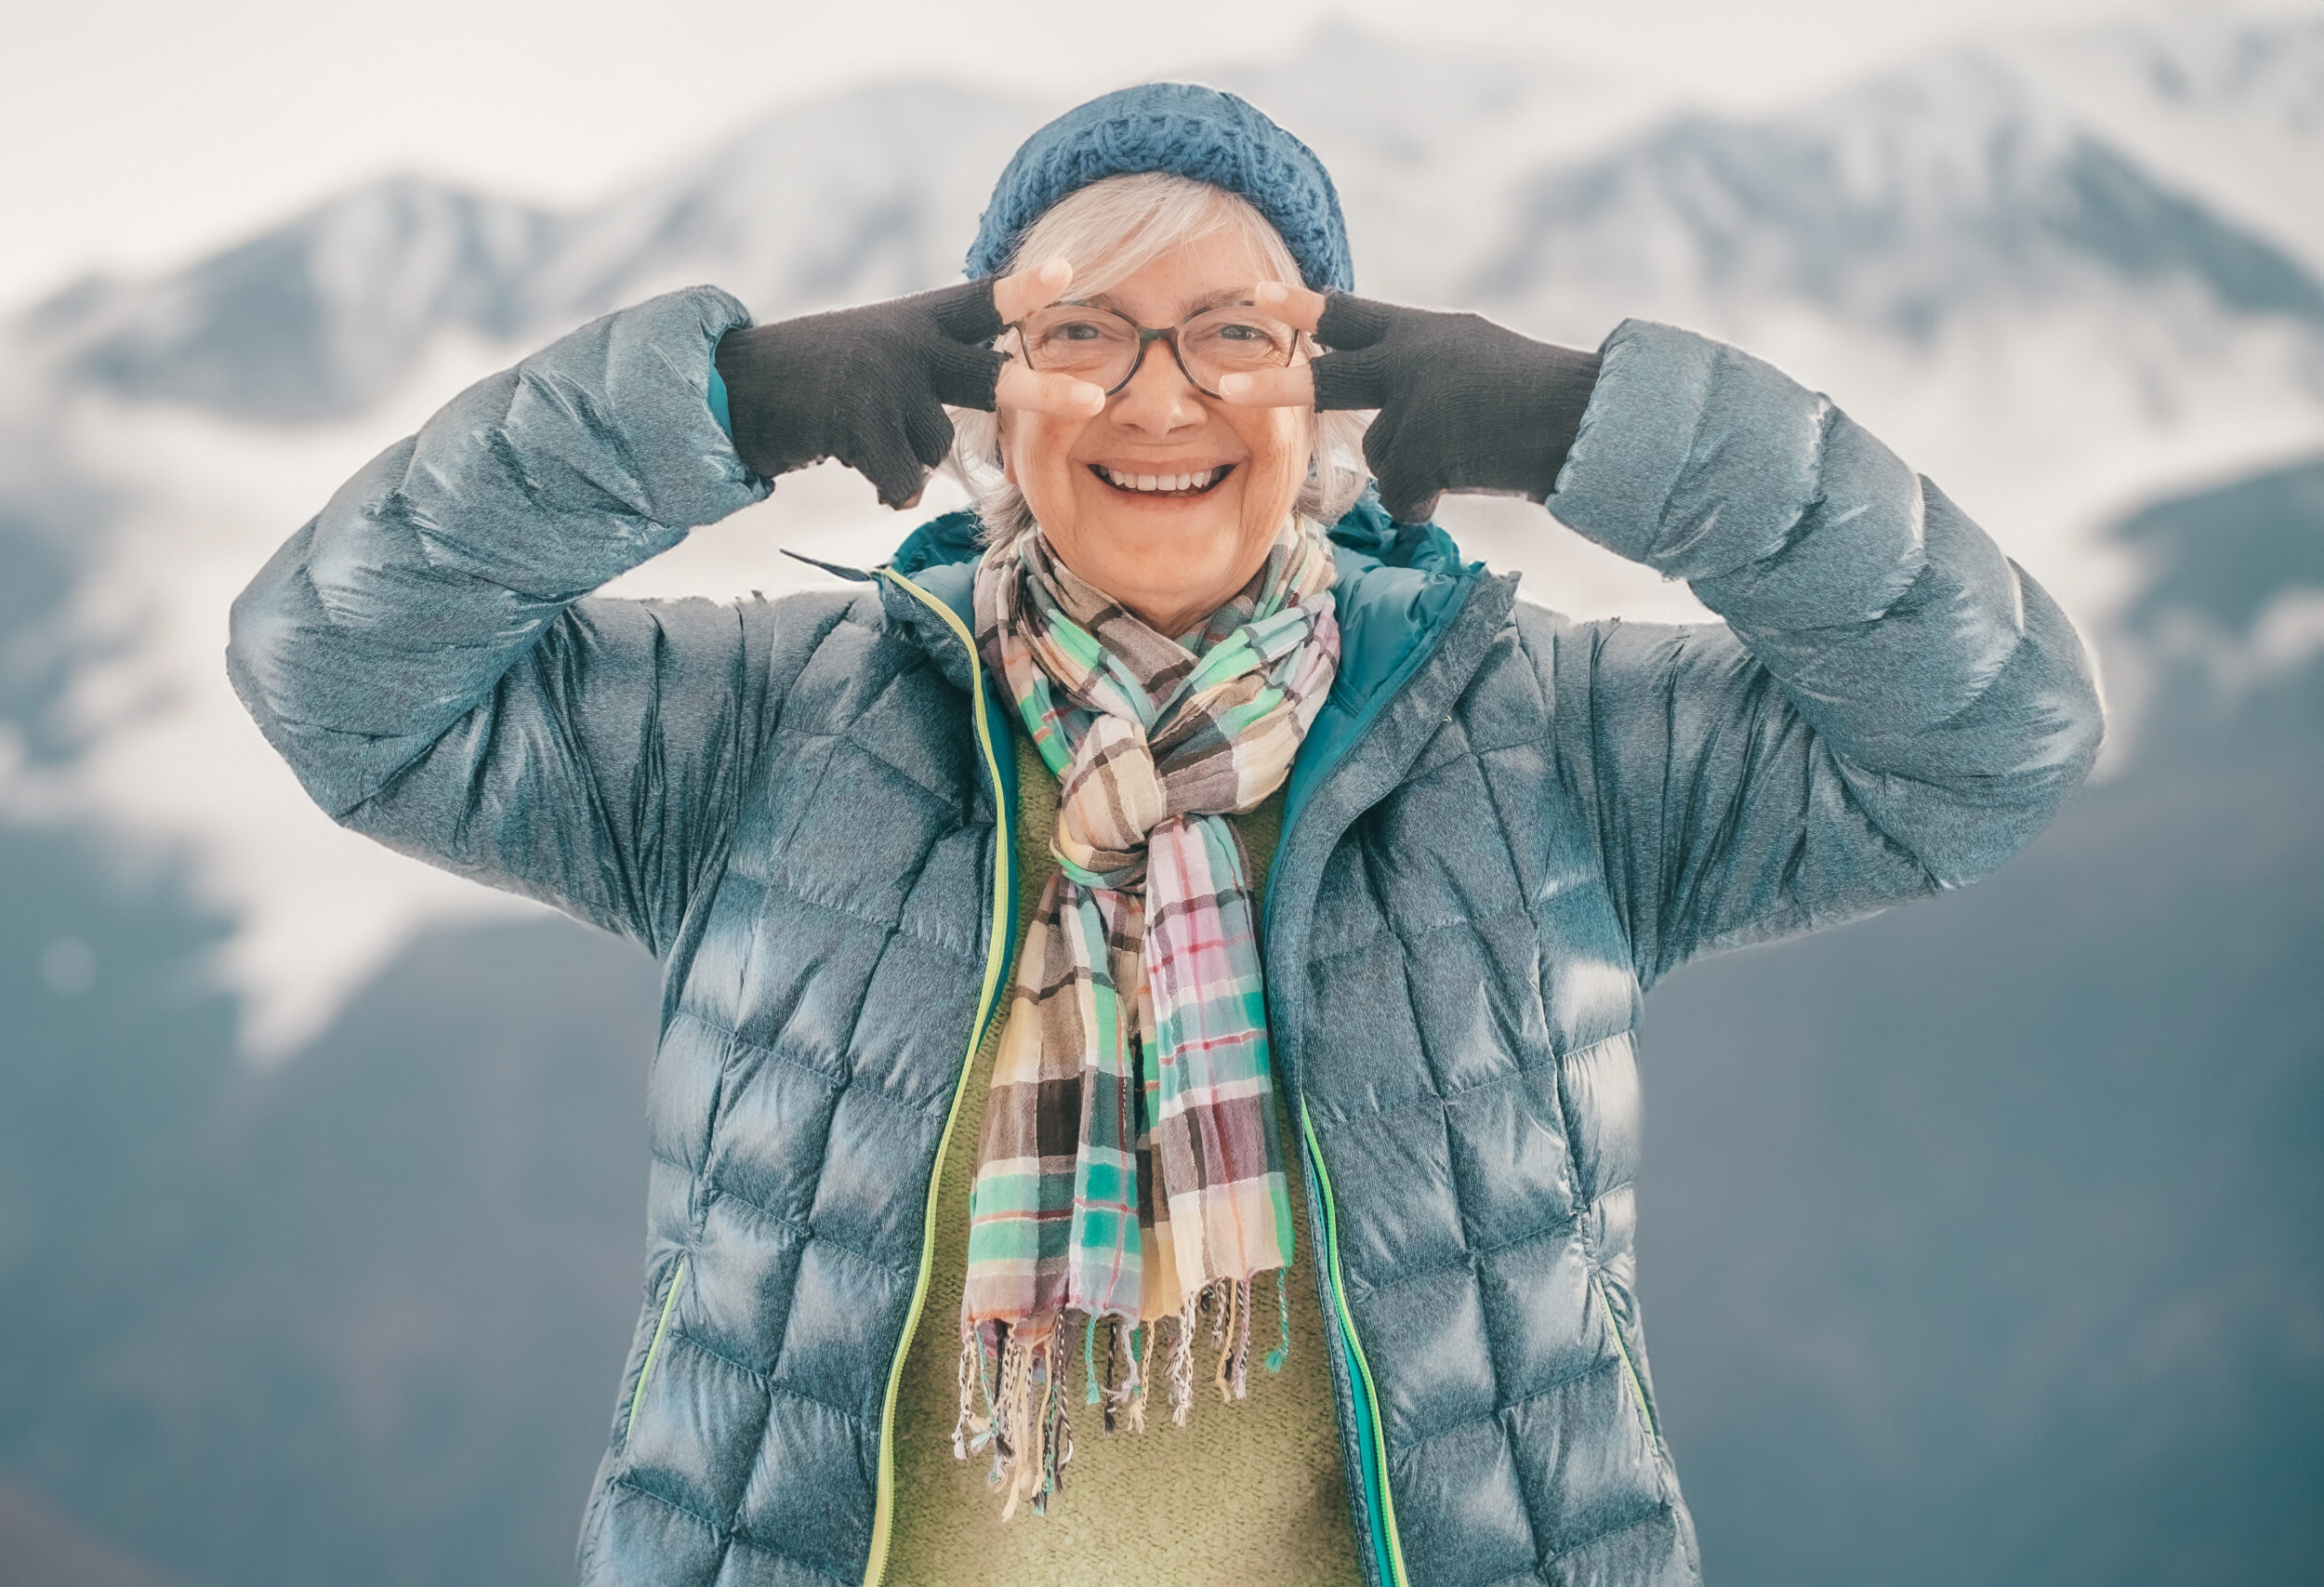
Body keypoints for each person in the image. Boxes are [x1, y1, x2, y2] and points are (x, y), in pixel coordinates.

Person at [228, 83, 2103, 1587]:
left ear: (1330, 389)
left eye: (1232, 331)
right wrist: (711, 404)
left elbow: (1987, 734)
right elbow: (334, 669)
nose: (1157, 395)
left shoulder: (1543, 741)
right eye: (1080, 333)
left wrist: (1599, 424)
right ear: (984, 392)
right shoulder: (775, 732)